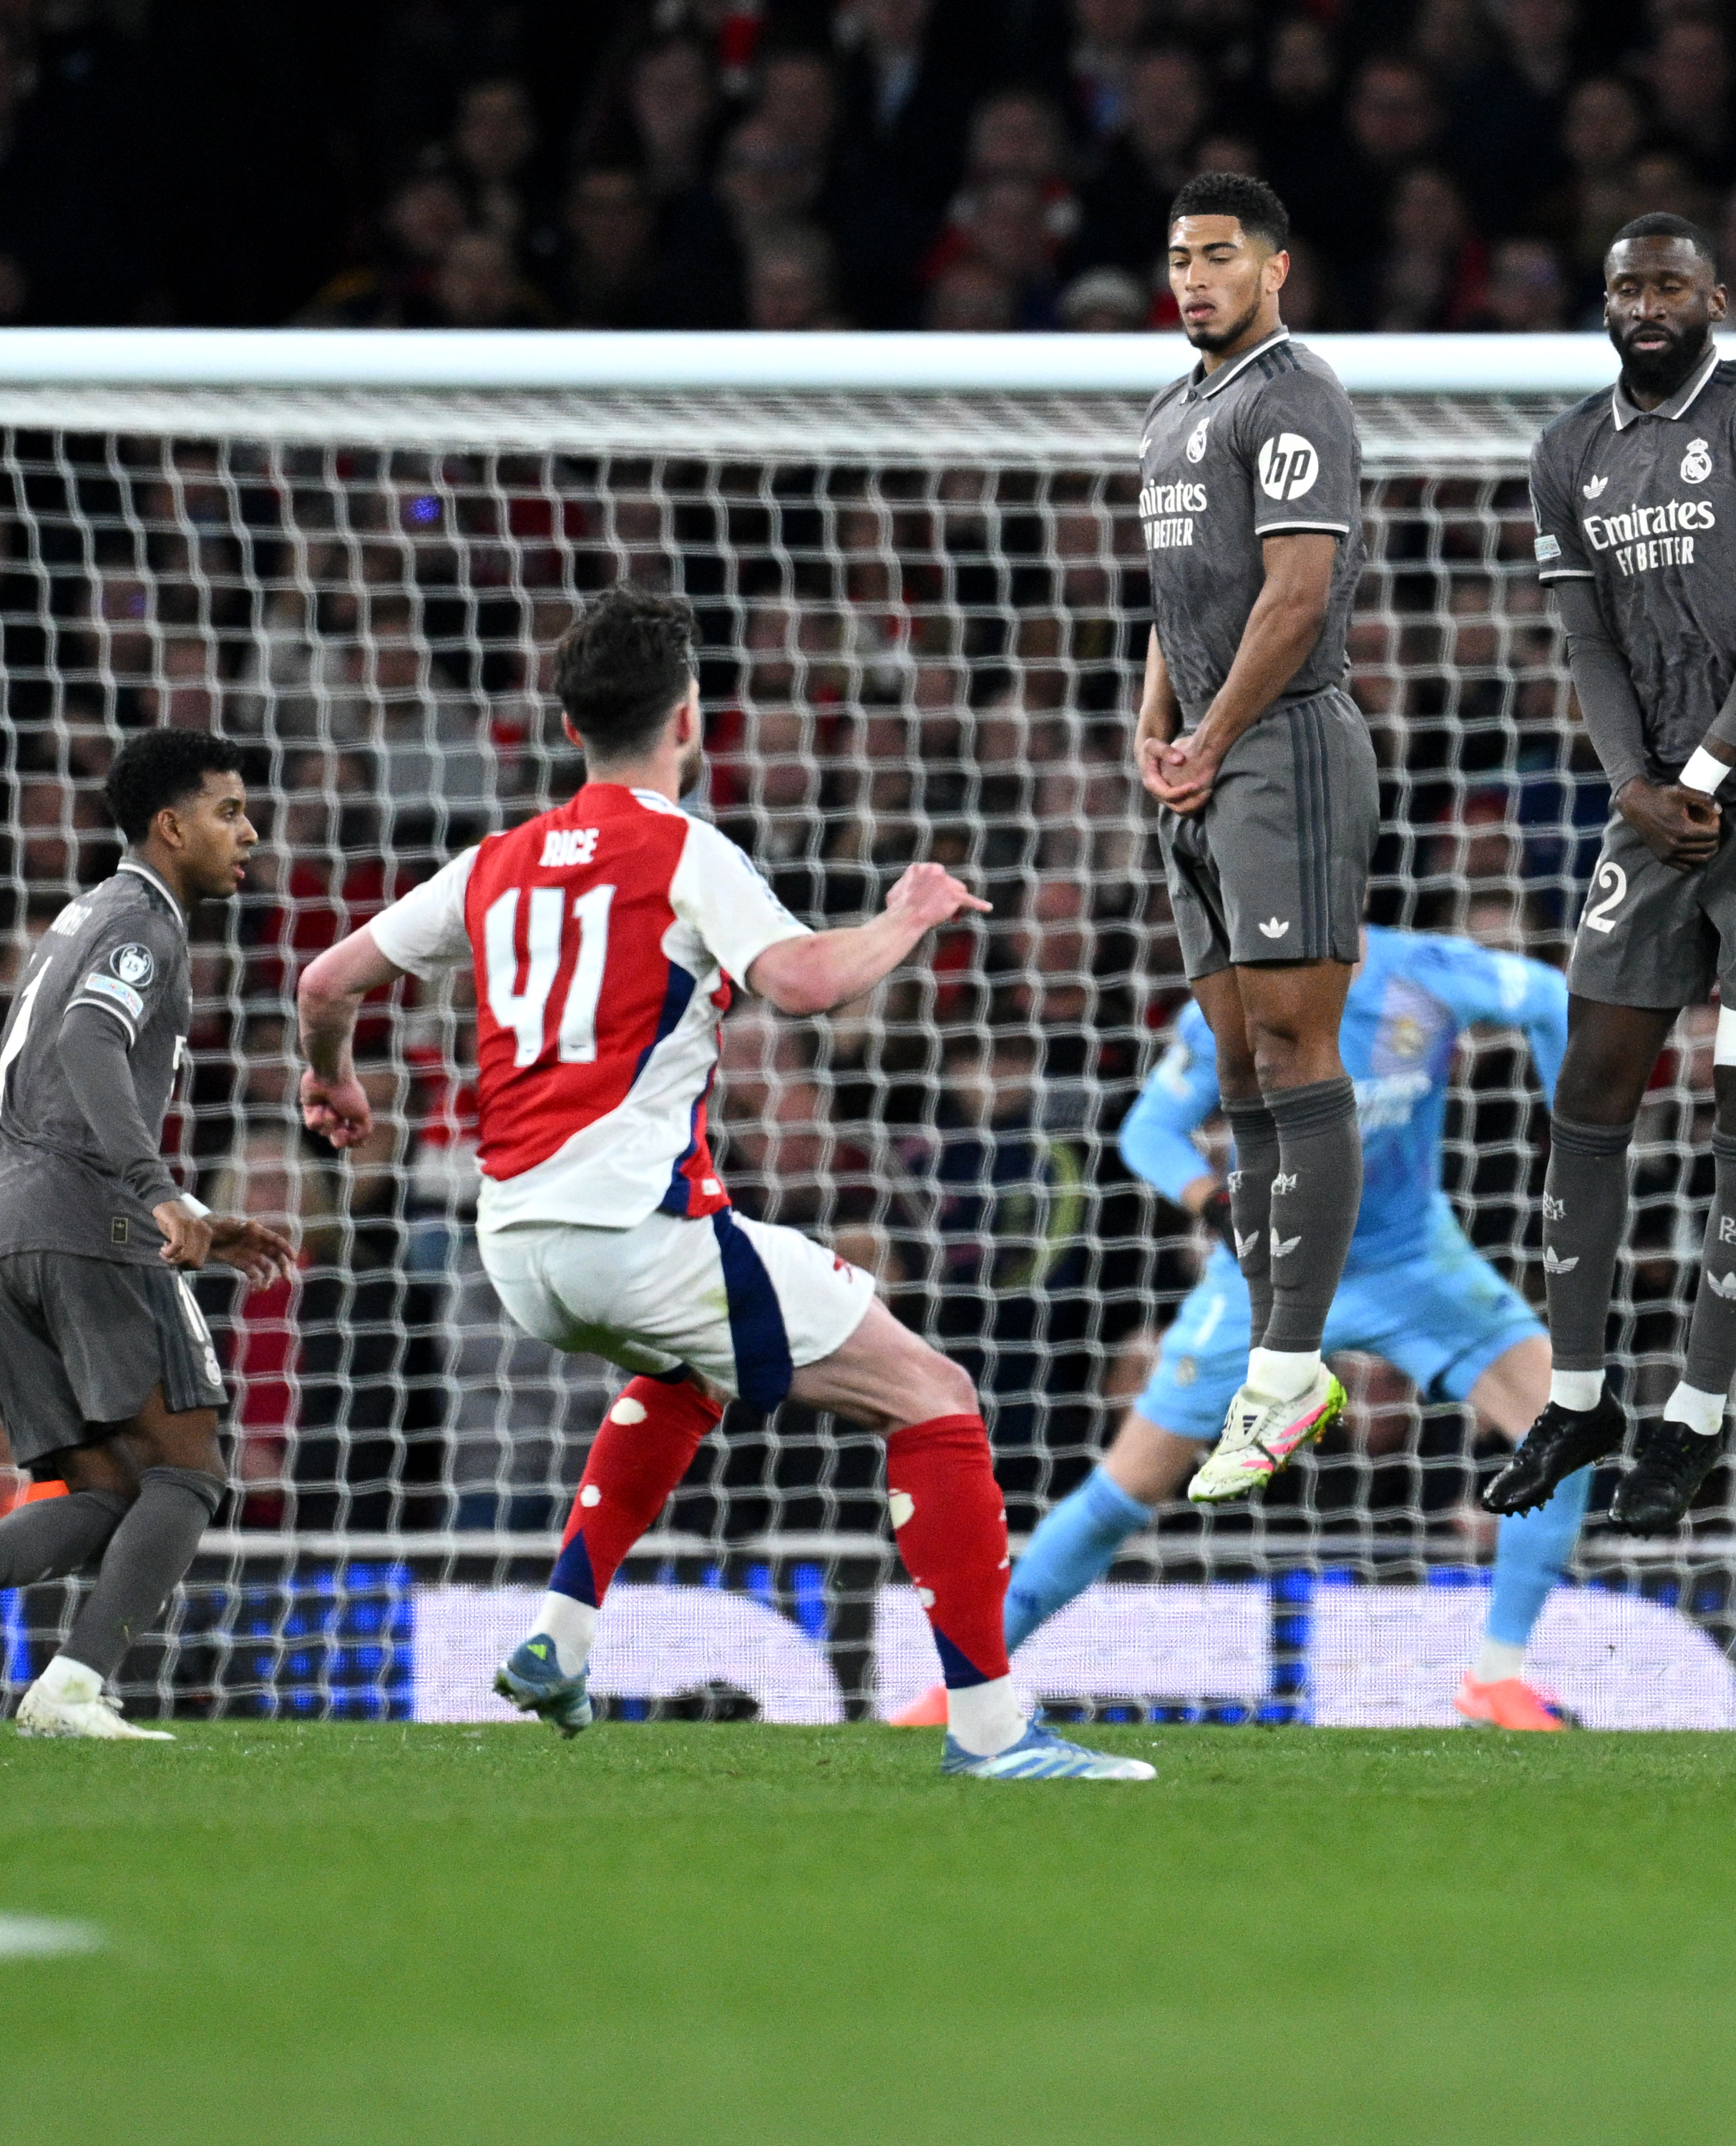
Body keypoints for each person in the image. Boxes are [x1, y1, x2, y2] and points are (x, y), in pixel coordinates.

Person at [289, 587, 1149, 1783]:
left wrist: (331, 1084)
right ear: (687, 717)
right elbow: (798, 981)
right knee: (935, 1394)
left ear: (569, 721)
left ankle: (558, 1633)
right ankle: (994, 1729)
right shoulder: (685, 849)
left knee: (689, 1365)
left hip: (513, 1244)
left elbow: (326, 981)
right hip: (628, 1226)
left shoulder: (491, 863)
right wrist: (907, 914)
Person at [932, 923, 1589, 1730]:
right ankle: (967, 1682)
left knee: (1565, 1425)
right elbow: (1148, 1132)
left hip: (1411, 1262)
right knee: (1127, 1488)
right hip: (1264, 1274)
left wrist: (1577, 1133)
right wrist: (1214, 1203)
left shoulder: (1423, 974)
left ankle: (1496, 1679)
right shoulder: (1232, 1007)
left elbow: (1553, 997)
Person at [1477, 215, 1736, 1531]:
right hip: (1657, 802)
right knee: (1591, 1078)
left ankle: (1696, 1418)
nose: (1645, 302)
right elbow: (1586, 638)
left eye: (1668, 284)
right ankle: (1580, 1393)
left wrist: (1704, 768)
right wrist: (1635, 782)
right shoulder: (1568, 449)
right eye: (1625, 284)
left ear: (1714, 297)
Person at [0, 731, 308, 1741]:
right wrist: (163, 1193)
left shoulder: (76, 919)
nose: (249, 831)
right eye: (228, 810)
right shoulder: (141, 921)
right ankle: (73, 1688)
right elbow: (88, 1038)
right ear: (169, 826)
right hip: (86, 1223)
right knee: (193, 1471)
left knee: (115, 1492)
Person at [1133, 169, 1377, 1506]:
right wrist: (1153, 721)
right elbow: (1180, 599)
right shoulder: (1172, 412)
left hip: (1287, 748)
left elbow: (1294, 597)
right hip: (1209, 756)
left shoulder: (1296, 395)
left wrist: (1211, 734)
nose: (1193, 277)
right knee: (1233, 1057)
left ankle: (1290, 1363)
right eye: (1178, 256)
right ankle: (1272, 1357)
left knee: (1296, 1043)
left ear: (1274, 267)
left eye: (1219, 254)